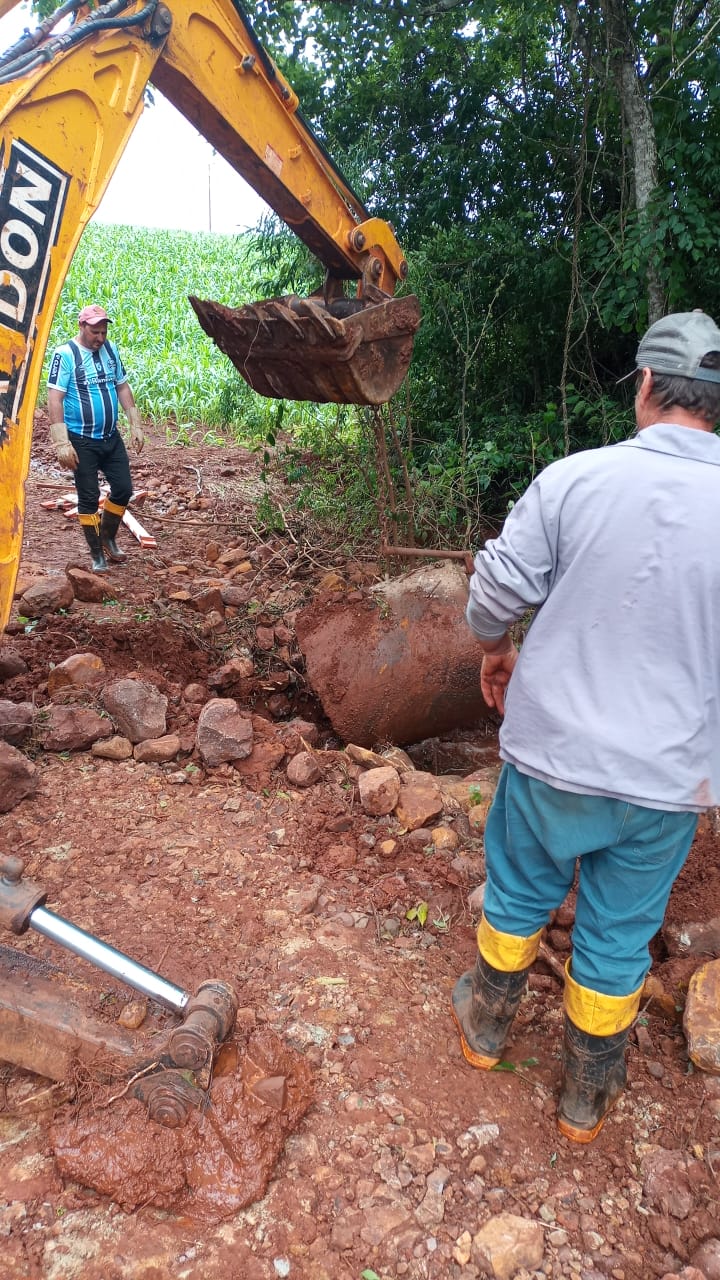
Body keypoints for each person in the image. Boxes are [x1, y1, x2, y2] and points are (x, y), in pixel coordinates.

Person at [451, 310, 720, 1144]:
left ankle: (488, 1030)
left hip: (551, 754)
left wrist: (496, 650)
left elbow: (494, 593)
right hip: (666, 780)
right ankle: (585, 1093)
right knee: (620, 927)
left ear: (644, 387)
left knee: (522, 883)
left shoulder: (575, 480)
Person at [47, 303, 145, 573]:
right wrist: (61, 441)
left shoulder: (110, 350)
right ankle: (96, 553)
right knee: (88, 497)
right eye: (95, 333)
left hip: (110, 437)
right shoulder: (65, 355)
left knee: (124, 489)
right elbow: (55, 398)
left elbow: (122, 386)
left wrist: (135, 423)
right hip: (82, 441)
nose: (100, 338)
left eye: (103, 332)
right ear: (82, 327)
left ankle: (108, 537)